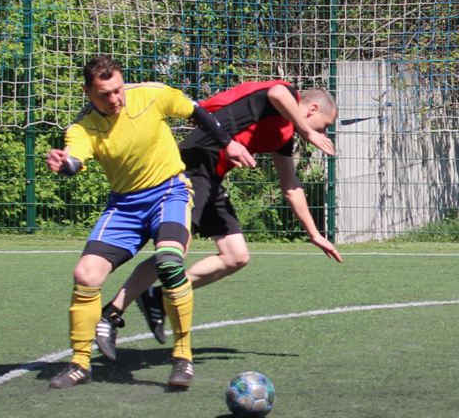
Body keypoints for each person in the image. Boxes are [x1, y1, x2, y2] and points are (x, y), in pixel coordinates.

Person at [46, 56, 256, 389]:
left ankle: (183, 358)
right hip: (125, 206)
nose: (114, 99)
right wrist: (63, 163)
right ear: (87, 92)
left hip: (169, 193)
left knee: (170, 262)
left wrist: (228, 143)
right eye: (104, 95)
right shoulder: (82, 127)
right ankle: (80, 363)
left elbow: (197, 112)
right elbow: (75, 157)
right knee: (85, 274)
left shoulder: (152, 94)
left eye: (117, 90)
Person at [92, 80, 343, 360]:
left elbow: (290, 186)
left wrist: (314, 234)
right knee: (174, 251)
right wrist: (309, 131)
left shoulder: (285, 135)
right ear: (312, 109)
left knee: (236, 256)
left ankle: (157, 298)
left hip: (211, 178)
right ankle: (111, 315)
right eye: (324, 125)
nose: (323, 133)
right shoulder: (282, 97)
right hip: (192, 164)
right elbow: (276, 93)